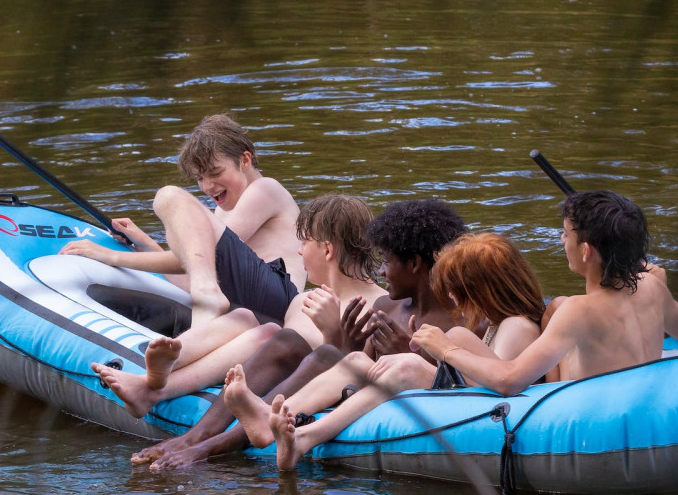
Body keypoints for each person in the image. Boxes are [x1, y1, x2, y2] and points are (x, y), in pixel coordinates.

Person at [142, 199, 467, 469]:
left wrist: (406, 352)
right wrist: (348, 339)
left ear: (413, 264)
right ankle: (197, 436)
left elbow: (451, 379)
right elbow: (356, 362)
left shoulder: (462, 318)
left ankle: (214, 446)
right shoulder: (387, 304)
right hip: (358, 387)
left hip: (402, 402)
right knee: (290, 340)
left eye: (387, 262)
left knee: (323, 352)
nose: (381, 272)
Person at [230, 232, 546, 471]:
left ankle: (304, 438)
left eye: (457, 287)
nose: (451, 294)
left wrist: (448, 348)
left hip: (478, 405)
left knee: (414, 362)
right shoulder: (497, 323)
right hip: (461, 391)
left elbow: (501, 385)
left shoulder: (518, 325)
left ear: (484, 287)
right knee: (356, 360)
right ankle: (263, 416)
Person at [89, 193, 387, 420]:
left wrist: (332, 331)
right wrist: (145, 243)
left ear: (327, 249)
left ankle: (155, 385)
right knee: (244, 316)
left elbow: (353, 372)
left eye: (305, 242)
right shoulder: (300, 300)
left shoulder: (377, 306)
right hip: (248, 369)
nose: (298, 251)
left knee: (268, 331)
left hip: (286, 389)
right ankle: (161, 371)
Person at [411, 189, 678, 396]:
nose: (561, 239)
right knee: (555, 306)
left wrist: (445, 349)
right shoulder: (653, 287)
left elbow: (509, 380)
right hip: (640, 395)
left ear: (587, 251)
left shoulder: (579, 311)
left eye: (566, 234)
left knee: (559, 308)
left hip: (594, 415)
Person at [60, 114, 304, 327]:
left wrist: (111, 256)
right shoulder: (222, 214)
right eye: (200, 178)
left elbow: (202, 263)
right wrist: (145, 244)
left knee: (169, 196)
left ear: (245, 161)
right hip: (254, 310)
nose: (208, 187)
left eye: (216, 173)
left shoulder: (265, 189)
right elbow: (195, 276)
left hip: (281, 301)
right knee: (201, 271)